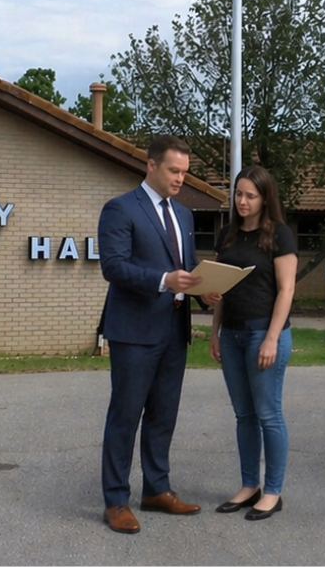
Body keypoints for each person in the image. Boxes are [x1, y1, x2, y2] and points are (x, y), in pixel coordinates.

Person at [96, 135, 208, 535]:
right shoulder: (120, 209)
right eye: (174, 171)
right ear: (151, 166)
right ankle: (115, 500)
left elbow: (187, 267)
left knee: (163, 415)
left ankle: (156, 489)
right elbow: (113, 267)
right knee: (125, 416)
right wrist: (163, 280)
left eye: (184, 172)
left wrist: (206, 290)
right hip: (134, 331)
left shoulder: (185, 215)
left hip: (174, 330)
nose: (180, 178)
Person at [203, 165, 297, 521]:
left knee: (268, 414)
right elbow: (220, 287)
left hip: (264, 334)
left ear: (265, 198)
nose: (243, 201)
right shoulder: (227, 235)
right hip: (232, 334)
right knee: (244, 415)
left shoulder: (280, 235)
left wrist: (271, 339)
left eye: (251, 196)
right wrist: (215, 332)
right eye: (239, 194)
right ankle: (249, 486)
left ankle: (272, 491)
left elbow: (286, 290)